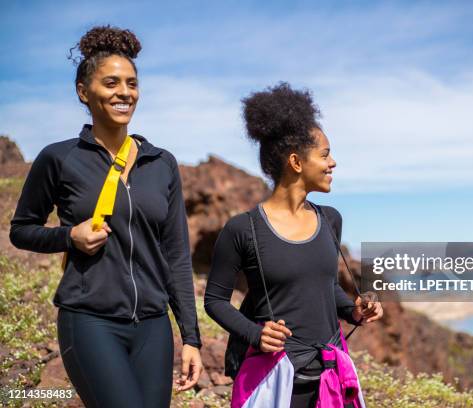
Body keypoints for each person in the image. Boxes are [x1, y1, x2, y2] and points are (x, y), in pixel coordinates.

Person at [9, 25, 202, 408]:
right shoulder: (60, 158)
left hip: (152, 325)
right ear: (84, 91)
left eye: (131, 83)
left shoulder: (161, 163)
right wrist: (69, 237)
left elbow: (177, 254)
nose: (124, 93)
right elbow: (21, 230)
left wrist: (191, 338)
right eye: (111, 83)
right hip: (89, 320)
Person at [204, 82, 383, 407]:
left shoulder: (330, 219)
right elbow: (214, 301)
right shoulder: (243, 229)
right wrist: (255, 334)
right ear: (296, 162)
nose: (333, 164)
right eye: (325, 154)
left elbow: (325, 287)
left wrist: (353, 311)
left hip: (330, 375)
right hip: (273, 380)